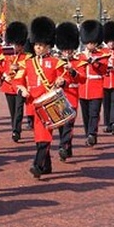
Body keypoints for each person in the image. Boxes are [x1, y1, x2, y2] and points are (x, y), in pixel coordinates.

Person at [15, 16, 70, 178]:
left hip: (50, 103)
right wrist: (21, 89)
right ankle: (47, 166)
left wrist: (62, 81)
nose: (38, 48)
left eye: (40, 45)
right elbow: (17, 80)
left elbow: (66, 78)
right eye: (36, 45)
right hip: (33, 104)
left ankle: (38, 165)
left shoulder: (56, 62)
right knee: (38, 135)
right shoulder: (28, 63)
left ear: (47, 46)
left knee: (44, 136)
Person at [54, 22, 84, 161]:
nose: (67, 52)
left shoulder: (78, 62)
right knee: (62, 125)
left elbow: (82, 79)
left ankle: (63, 146)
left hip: (72, 96)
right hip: (60, 97)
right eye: (65, 49)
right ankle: (67, 147)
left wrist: (72, 71)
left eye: (69, 49)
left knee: (69, 124)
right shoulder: (56, 63)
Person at [77, 20, 107, 146]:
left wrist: (94, 62)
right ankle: (88, 134)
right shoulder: (80, 56)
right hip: (83, 88)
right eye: (89, 42)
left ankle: (92, 134)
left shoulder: (102, 55)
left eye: (93, 42)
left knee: (94, 113)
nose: (91, 45)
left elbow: (104, 69)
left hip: (96, 88)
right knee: (86, 115)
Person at [0, 21, 30, 143]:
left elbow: (28, 70)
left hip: (20, 86)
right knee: (12, 110)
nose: (15, 46)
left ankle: (16, 131)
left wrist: (18, 68)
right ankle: (14, 127)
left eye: (17, 44)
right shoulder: (5, 55)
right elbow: (0, 69)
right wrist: (4, 76)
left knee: (19, 109)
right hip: (8, 86)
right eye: (13, 43)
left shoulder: (26, 57)